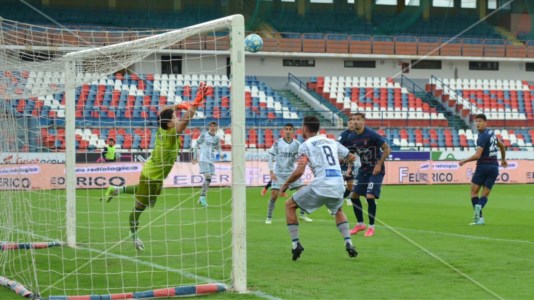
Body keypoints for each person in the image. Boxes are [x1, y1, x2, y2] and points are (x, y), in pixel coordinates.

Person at [101, 82, 208, 251]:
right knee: (140, 207)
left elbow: (165, 110)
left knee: (147, 198)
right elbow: (186, 120)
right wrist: (195, 102)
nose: (177, 117)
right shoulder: (172, 135)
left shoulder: (163, 127)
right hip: (152, 175)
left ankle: (116, 189)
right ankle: (134, 236)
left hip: (155, 175)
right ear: (170, 124)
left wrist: (178, 105)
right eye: (175, 117)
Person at [280, 116, 358, 261]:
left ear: (305, 128)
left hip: (321, 185)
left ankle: (295, 244)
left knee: (289, 205)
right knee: (338, 210)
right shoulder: (331, 141)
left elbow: (300, 170)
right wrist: (338, 162)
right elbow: (352, 157)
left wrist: (285, 185)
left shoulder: (305, 145)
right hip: (338, 184)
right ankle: (349, 243)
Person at [347, 112, 390, 237]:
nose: (355, 121)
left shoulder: (372, 135)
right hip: (364, 169)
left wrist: (379, 164)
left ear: (363, 121)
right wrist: (349, 168)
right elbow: (352, 155)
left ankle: (371, 227)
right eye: (353, 119)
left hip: (376, 170)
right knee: (353, 196)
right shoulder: (351, 137)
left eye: (358, 119)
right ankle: (360, 224)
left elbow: (387, 149)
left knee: (369, 196)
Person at [459, 113, 507, 225]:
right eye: (476, 121)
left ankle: (479, 215)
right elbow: (502, 146)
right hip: (494, 167)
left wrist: (464, 161)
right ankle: (480, 207)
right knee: (485, 194)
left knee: (473, 192)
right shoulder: (492, 134)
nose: (478, 124)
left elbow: (477, 155)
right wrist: (503, 160)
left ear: (485, 122)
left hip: (483, 166)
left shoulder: (482, 136)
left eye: (480, 121)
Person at [265, 123, 312, 224]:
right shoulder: (277, 143)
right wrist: (271, 171)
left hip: (291, 173)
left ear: (293, 132)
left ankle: (302, 215)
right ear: (283, 131)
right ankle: (269, 217)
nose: (288, 131)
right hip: (279, 173)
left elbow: (302, 156)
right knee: (274, 195)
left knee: (304, 191)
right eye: (286, 129)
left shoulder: (297, 144)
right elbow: (270, 156)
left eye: (290, 129)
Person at [192, 121, 222, 207]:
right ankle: (202, 197)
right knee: (208, 176)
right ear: (209, 127)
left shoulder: (217, 138)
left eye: (214, 126)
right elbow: (196, 144)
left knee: (209, 179)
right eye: (211, 126)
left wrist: (221, 154)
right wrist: (194, 157)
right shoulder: (204, 135)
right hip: (203, 159)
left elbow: (218, 147)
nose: (212, 127)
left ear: (216, 128)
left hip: (210, 160)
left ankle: (202, 196)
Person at [338, 116, 361, 205]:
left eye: (353, 123)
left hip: (351, 162)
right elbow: (337, 147)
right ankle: (334, 203)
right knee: (339, 184)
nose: (352, 125)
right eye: (350, 123)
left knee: (350, 186)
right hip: (342, 162)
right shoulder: (344, 135)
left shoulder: (357, 135)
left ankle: (341, 200)